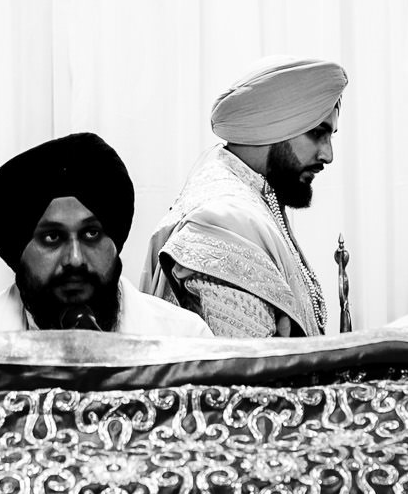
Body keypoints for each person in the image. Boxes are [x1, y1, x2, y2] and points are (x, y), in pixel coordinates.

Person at [143, 57, 345, 338]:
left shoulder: (254, 195)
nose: (328, 155)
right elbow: (248, 373)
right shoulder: (225, 221)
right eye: (317, 133)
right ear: (272, 126)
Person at [0, 132, 210, 337]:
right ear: (18, 253)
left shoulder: (184, 341)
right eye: (52, 237)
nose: (74, 259)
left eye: (91, 233)